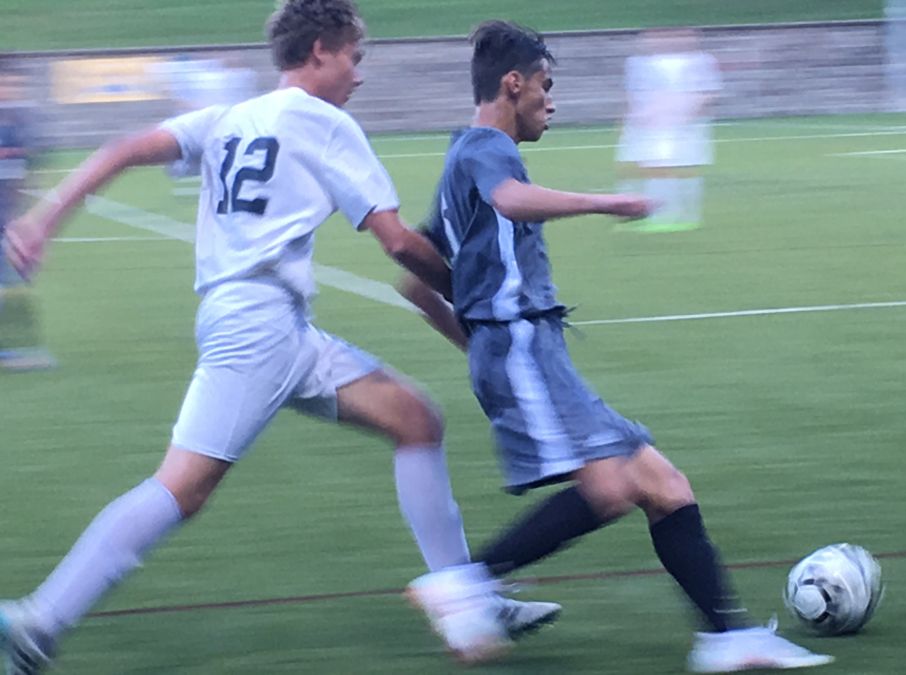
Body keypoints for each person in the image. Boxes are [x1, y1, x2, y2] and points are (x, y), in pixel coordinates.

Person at [0, 3, 557, 673]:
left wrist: (43, 218)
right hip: (257, 329)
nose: (359, 74)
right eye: (354, 57)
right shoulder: (326, 123)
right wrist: (474, 295)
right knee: (182, 487)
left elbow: (123, 150)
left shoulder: (231, 116)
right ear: (320, 51)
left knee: (415, 418)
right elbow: (398, 242)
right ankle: (40, 619)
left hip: (273, 324)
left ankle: (465, 598)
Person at [399, 21, 833, 673]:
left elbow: (417, 282)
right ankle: (466, 583)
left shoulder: (460, 155)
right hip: (523, 346)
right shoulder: (488, 149)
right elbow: (510, 201)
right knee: (609, 488)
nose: (552, 101)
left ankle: (728, 638)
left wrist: (479, 342)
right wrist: (603, 202)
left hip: (523, 349)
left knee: (663, 483)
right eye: (545, 85)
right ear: (512, 84)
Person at [616, 28, 722, 233]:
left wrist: (685, 116)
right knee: (644, 167)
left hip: (677, 126)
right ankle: (649, 212)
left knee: (673, 168)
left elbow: (708, 93)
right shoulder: (639, 63)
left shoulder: (699, 61)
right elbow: (633, 93)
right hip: (647, 124)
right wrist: (631, 117)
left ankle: (676, 214)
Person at [0, 59, 55, 371]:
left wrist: (25, 221)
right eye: (5, 83)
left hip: (6, 219)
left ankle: (10, 350)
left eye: (15, 84)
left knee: (11, 280)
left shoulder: (21, 125)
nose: (9, 90)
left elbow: (28, 173)